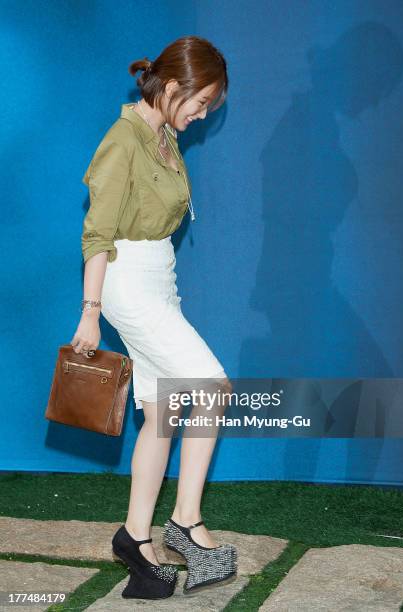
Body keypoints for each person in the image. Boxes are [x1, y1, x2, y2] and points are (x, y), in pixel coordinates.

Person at [70, 36, 237, 599]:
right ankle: (186, 523)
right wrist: (91, 313)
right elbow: (97, 235)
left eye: (209, 107)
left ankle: (135, 536)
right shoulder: (123, 141)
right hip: (126, 282)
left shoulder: (162, 134)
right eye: (200, 102)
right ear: (171, 88)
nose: (202, 113)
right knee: (211, 388)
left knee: (162, 409)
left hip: (158, 282)